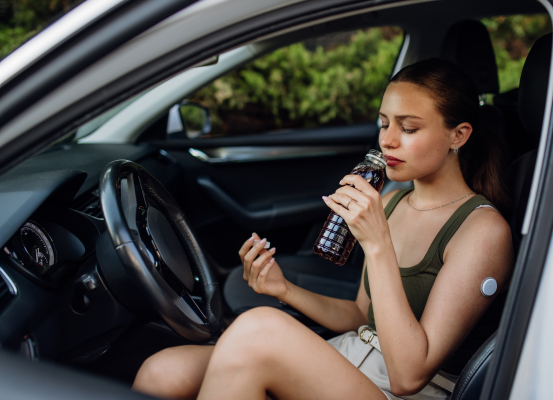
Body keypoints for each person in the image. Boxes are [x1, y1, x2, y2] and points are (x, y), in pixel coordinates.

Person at [132, 59, 514, 400]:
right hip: (352, 356)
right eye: (384, 123)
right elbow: (361, 316)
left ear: (458, 136)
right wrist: (283, 290)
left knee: (256, 331)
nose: (387, 140)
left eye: (409, 128)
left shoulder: (482, 230)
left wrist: (378, 245)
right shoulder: (395, 201)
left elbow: (409, 376)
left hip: (405, 391)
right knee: (163, 371)